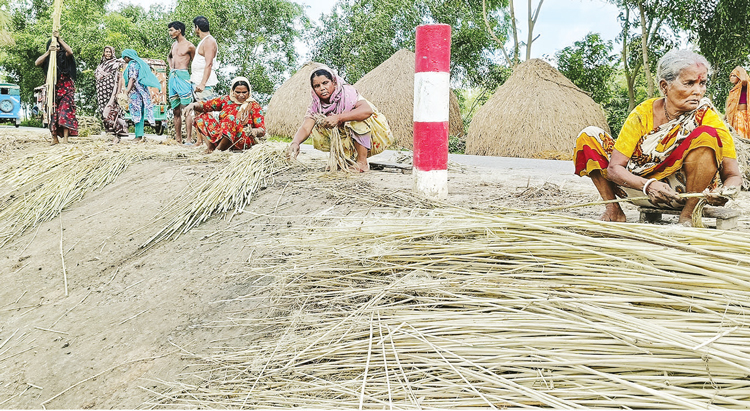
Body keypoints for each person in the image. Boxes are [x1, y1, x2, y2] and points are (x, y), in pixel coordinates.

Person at [573, 49, 742, 226]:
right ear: (664, 86)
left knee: (707, 135)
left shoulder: (707, 117)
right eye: (689, 83)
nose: (698, 91)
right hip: (642, 190)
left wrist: (727, 191)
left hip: (687, 194)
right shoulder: (643, 113)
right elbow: (615, 169)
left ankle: (688, 215)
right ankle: (613, 209)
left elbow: (733, 175)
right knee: (588, 136)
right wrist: (648, 185)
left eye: (702, 83)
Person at [287, 65, 393, 172]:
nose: (322, 88)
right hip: (344, 134)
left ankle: (362, 163)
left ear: (333, 82)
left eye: (325, 83)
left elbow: (367, 111)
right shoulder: (316, 105)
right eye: (317, 86)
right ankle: (343, 160)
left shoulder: (348, 93)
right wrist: (295, 142)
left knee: (357, 120)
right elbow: (306, 127)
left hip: (372, 132)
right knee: (320, 122)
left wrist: (338, 118)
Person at [184, 76, 265, 153]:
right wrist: (193, 105)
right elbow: (206, 105)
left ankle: (218, 151)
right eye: (237, 92)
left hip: (240, 140)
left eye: (244, 92)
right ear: (232, 91)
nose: (241, 95)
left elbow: (262, 130)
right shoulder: (226, 100)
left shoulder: (254, 105)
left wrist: (255, 131)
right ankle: (210, 148)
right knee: (202, 117)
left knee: (230, 119)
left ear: (249, 91)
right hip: (222, 134)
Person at [35, 33, 78, 145]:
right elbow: (37, 63)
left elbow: (70, 52)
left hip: (66, 88)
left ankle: (65, 139)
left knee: (65, 112)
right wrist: (49, 52)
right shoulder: (48, 58)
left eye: (59, 46)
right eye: (55, 45)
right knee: (52, 112)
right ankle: (54, 138)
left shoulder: (65, 56)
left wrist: (59, 39)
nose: (57, 48)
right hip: (52, 88)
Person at [121, 49, 161, 142]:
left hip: (136, 93)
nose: (124, 60)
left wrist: (127, 92)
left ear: (128, 57)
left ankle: (138, 136)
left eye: (124, 58)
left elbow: (132, 79)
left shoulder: (132, 64)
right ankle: (139, 135)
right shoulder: (140, 64)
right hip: (143, 92)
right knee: (141, 113)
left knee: (136, 113)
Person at [167, 21, 196, 144]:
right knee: (175, 109)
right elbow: (169, 56)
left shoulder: (190, 46)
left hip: (183, 76)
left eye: (172, 30)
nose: (170, 33)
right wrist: (170, 67)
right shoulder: (174, 45)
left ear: (179, 31)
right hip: (173, 77)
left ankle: (189, 139)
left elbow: (195, 63)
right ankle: (178, 139)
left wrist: (193, 78)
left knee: (187, 108)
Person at [94, 46, 128, 142]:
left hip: (111, 91)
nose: (107, 54)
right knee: (103, 111)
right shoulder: (101, 65)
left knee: (113, 111)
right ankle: (109, 133)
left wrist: (118, 92)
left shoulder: (117, 64)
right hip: (101, 92)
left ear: (112, 53)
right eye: (106, 52)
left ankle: (117, 135)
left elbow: (120, 77)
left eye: (109, 52)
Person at [726, 66, 749, 140]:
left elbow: (744, 79)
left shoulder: (744, 86)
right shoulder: (734, 90)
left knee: (742, 138)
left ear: (739, 77)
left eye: (734, 75)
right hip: (734, 115)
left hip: (742, 116)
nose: (731, 77)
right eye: (731, 75)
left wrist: (738, 68)